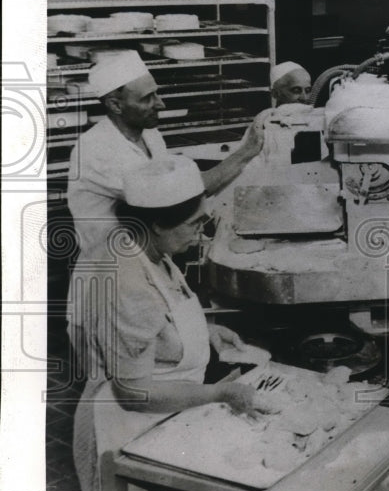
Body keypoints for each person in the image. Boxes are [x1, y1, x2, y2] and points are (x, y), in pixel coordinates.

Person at [72, 156, 263, 491]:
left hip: (164, 419)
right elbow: (134, 392)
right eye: (194, 224)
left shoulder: (147, 247)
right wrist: (218, 393)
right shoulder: (126, 279)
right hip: (129, 432)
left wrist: (203, 334)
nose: (200, 233)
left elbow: (158, 319)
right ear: (159, 223)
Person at [65, 51, 265, 368]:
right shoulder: (96, 150)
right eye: (148, 98)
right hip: (110, 284)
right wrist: (246, 153)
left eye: (157, 92)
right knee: (117, 390)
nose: (161, 104)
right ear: (115, 105)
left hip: (149, 272)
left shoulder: (151, 136)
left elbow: (178, 190)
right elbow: (178, 193)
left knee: (167, 372)